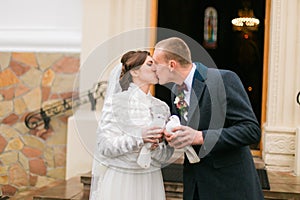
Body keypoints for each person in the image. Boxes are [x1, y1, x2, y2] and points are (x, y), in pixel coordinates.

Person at [152, 37, 264, 200]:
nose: (153, 68)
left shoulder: (223, 80)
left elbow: (251, 130)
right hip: (196, 185)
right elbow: (188, 134)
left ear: (171, 65)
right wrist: (172, 137)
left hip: (229, 186)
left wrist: (200, 136)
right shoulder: (176, 91)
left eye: (156, 63)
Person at [90, 50, 174, 200]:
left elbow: (167, 154)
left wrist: (156, 147)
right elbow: (104, 146)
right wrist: (140, 138)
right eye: (150, 64)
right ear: (134, 72)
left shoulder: (161, 107)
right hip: (122, 180)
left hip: (151, 178)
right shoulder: (116, 103)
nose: (156, 68)